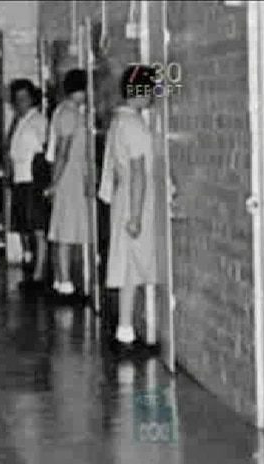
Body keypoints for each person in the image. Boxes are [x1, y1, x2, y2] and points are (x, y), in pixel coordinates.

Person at [98, 65, 158, 347]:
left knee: (129, 265)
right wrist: (135, 216)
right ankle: (126, 331)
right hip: (136, 201)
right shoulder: (133, 125)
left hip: (126, 197)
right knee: (132, 265)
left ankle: (126, 329)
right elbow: (138, 172)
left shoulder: (119, 121)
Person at [45, 69, 91, 297]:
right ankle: (64, 283)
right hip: (67, 177)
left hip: (70, 176)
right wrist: (55, 183)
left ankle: (61, 279)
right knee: (65, 230)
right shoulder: (69, 114)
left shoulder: (67, 111)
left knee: (64, 228)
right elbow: (62, 152)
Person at [5, 79, 50, 287]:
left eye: (24, 98)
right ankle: (29, 264)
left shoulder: (39, 121)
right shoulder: (20, 121)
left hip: (33, 180)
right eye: (17, 99)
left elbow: (44, 151)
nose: (20, 103)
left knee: (37, 227)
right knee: (24, 227)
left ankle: (40, 272)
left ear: (32, 99)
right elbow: (11, 149)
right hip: (20, 178)